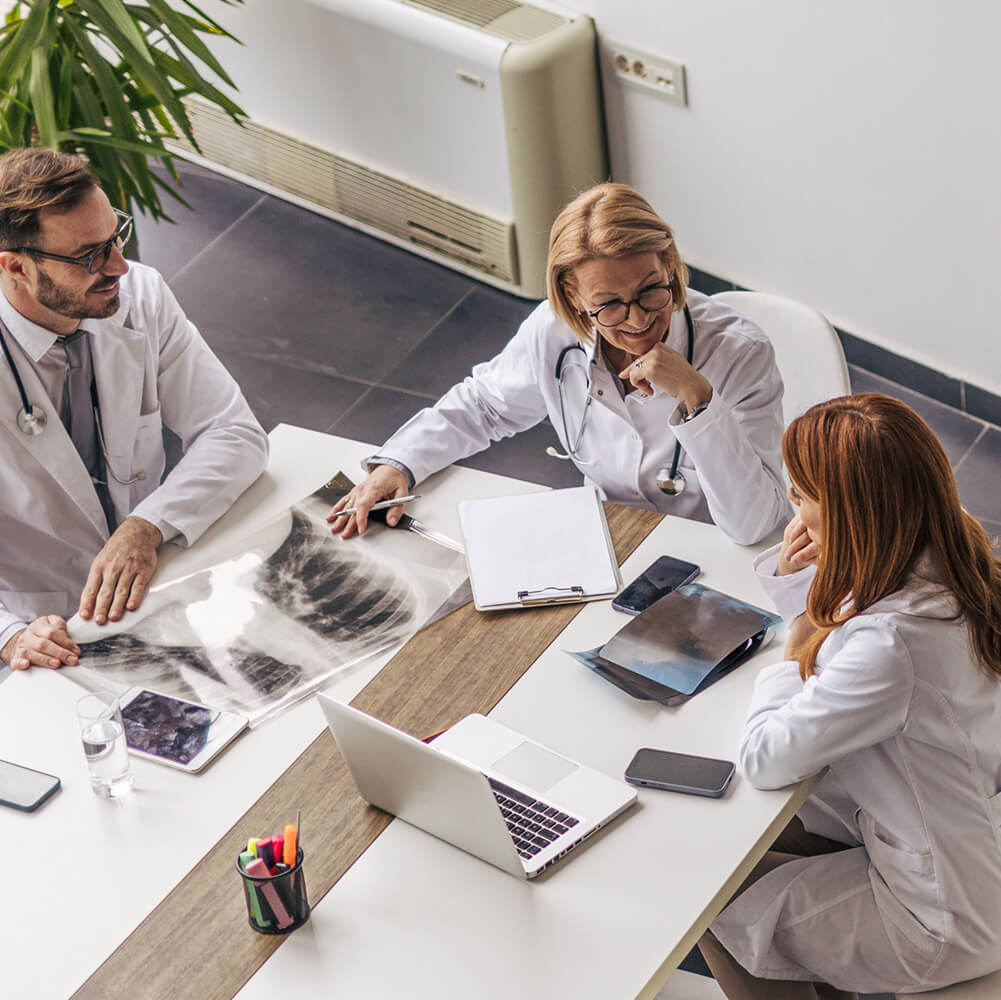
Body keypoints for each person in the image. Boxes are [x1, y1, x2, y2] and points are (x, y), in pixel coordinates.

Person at [700, 393, 1001, 998]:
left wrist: (794, 644)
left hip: (941, 920)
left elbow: (764, 758)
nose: (791, 500)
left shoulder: (892, 647)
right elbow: (844, 670)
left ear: (852, 512)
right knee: (778, 839)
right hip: (970, 849)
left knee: (708, 898)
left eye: (805, 492)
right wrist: (804, 600)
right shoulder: (960, 560)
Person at [327, 182, 790, 546]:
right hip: (610, 545)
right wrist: (400, 463)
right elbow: (485, 405)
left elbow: (754, 526)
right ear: (572, 296)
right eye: (608, 304)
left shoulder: (739, 353)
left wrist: (697, 398)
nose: (639, 319)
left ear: (669, 264)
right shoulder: (556, 332)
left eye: (651, 289)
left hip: (722, 555)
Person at [0, 149, 268, 671]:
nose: (118, 267)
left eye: (115, 236)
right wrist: (9, 635)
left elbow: (234, 433)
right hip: (38, 623)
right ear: (14, 266)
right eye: (87, 257)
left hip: (156, 575)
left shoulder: (139, 295)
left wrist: (146, 526)